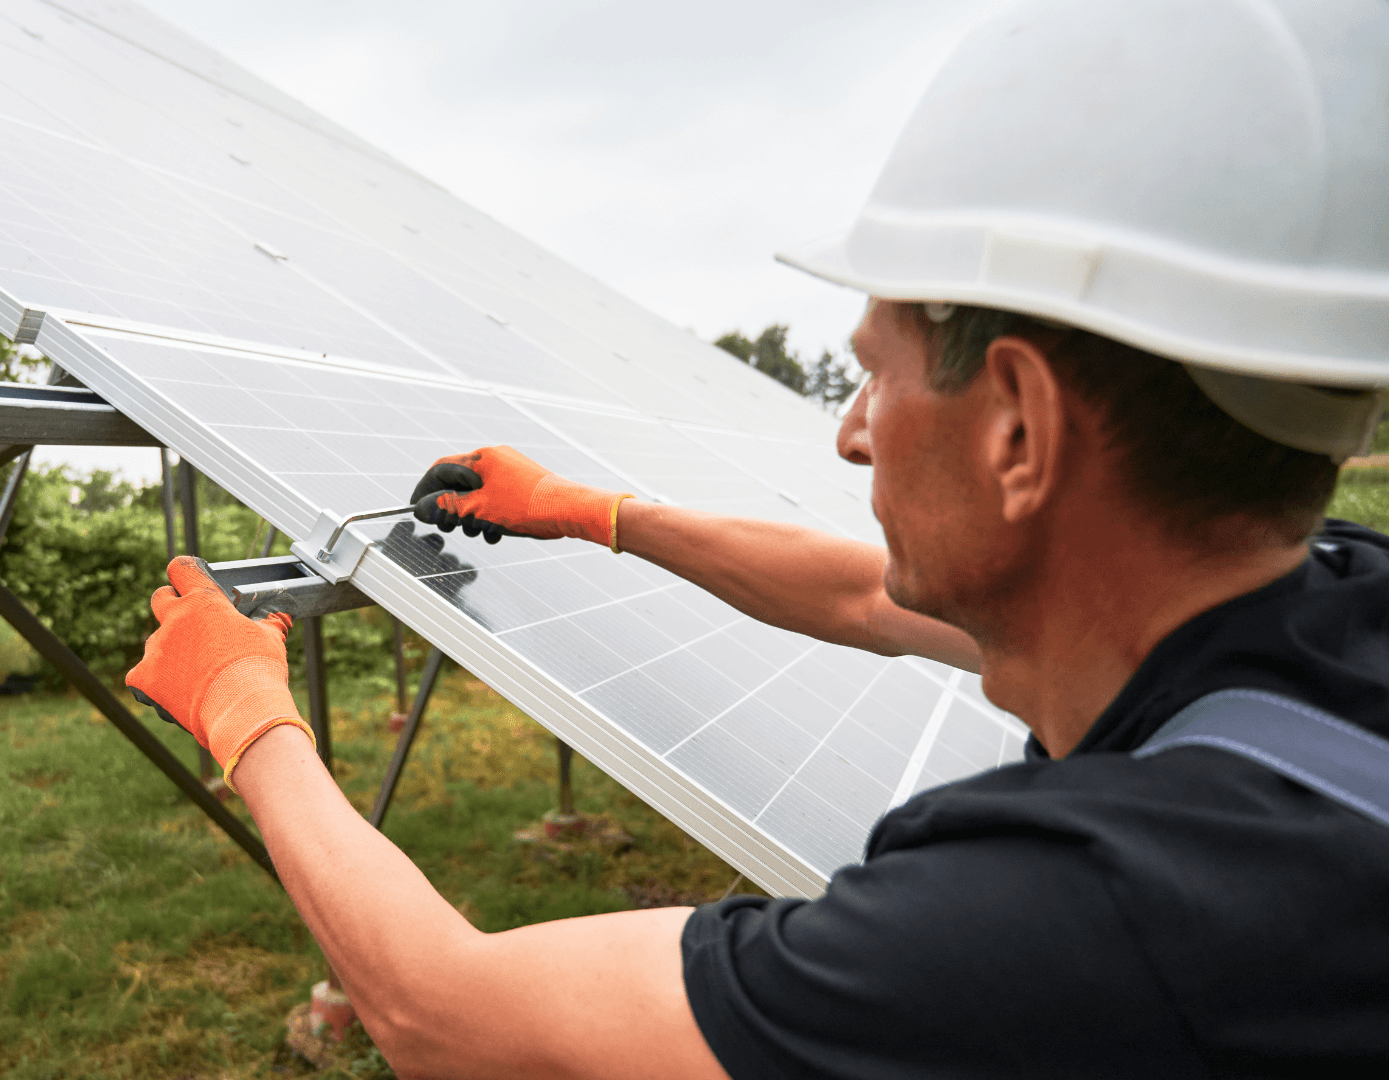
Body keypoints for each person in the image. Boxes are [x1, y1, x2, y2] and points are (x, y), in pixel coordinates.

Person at [126, 0, 1389, 1075]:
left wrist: (248, 716)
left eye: (876, 377)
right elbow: (856, 597)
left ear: (1018, 429)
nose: (852, 435)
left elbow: (448, 1016)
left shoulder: (1081, 922)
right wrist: (592, 512)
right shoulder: (1331, 610)